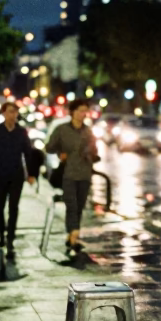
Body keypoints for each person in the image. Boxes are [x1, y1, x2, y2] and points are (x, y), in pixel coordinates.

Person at [0, 102, 36, 259]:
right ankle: (1, 235)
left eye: (15, 112)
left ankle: (10, 238)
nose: (13, 115)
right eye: (10, 112)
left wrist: (31, 174)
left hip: (16, 175)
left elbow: (28, 153)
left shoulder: (21, 132)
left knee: (14, 208)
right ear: (4, 113)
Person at [46, 99, 98, 255]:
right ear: (72, 112)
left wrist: (91, 153)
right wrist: (60, 152)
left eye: (85, 111)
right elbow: (49, 147)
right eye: (80, 110)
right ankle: (74, 233)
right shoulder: (62, 129)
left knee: (80, 206)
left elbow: (95, 150)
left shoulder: (88, 131)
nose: (83, 114)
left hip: (85, 174)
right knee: (72, 205)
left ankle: (71, 235)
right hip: (68, 174)